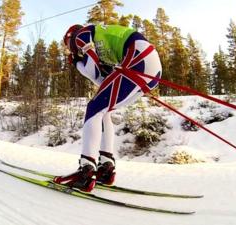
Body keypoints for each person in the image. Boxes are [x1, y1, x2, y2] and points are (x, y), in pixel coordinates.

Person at [53, 24, 162, 192]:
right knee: (103, 110)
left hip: (138, 56)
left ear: (70, 36)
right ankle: (106, 168)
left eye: (67, 45)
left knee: (94, 108)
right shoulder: (103, 50)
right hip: (148, 63)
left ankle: (86, 170)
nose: (71, 50)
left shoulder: (82, 34)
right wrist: (82, 63)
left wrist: (77, 63)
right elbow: (102, 81)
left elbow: (92, 71)